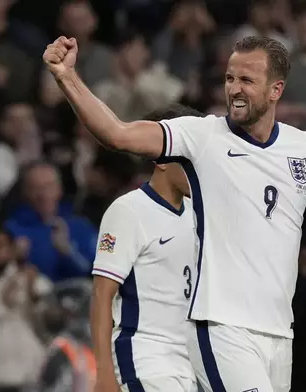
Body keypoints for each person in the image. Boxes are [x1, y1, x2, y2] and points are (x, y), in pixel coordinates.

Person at [43, 35, 306, 392]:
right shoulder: (201, 137)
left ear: (276, 90)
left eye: (247, 80)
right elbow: (117, 134)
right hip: (220, 329)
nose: (235, 88)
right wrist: (67, 77)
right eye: (230, 78)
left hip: (278, 333)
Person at [89, 104, 203, 392]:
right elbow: (102, 296)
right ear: (161, 159)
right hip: (145, 362)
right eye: (192, 158)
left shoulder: (199, 215)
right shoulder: (129, 211)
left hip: (189, 366)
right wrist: (103, 374)